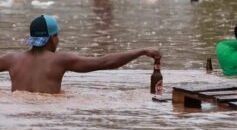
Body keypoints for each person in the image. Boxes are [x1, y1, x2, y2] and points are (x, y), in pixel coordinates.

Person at [0, 15, 161, 94]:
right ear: (52, 38)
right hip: (48, 115)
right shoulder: (61, 60)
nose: (58, 40)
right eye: (57, 36)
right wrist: (142, 51)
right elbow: (104, 62)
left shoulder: (11, 59)